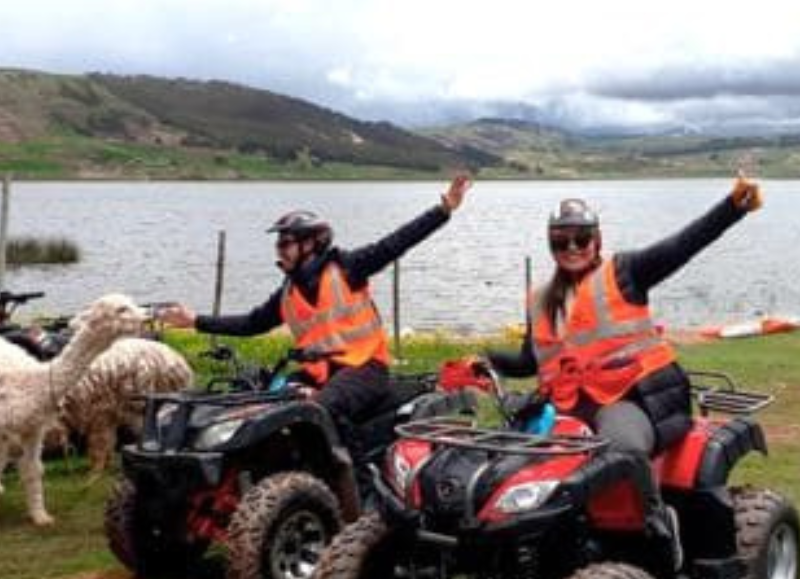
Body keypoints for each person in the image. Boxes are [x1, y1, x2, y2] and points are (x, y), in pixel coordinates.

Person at [159, 175, 472, 430]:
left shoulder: (347, 267)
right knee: (261, 407)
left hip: (365, 369)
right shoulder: (288, 292)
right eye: (278, 244)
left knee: (311, 413)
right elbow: (253, 323)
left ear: (311, 243)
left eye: (285, 242)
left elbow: (395, 243)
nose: (279, 250)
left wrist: (442, 210)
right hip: (318, 374)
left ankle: (343, 481)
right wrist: (195, 321)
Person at [487, 175, 763, 460]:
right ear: (551, 246)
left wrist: (732, 208)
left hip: (631, 397)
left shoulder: (625, 272)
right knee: (507, 457)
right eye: (560, 241)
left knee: (621, 452)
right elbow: (530, 361)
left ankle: (645, 490)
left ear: (596, 241)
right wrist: (488, 361)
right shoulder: (539, 299)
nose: (572, 247)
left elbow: (683, 245)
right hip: (568, 404)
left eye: (581, 238)